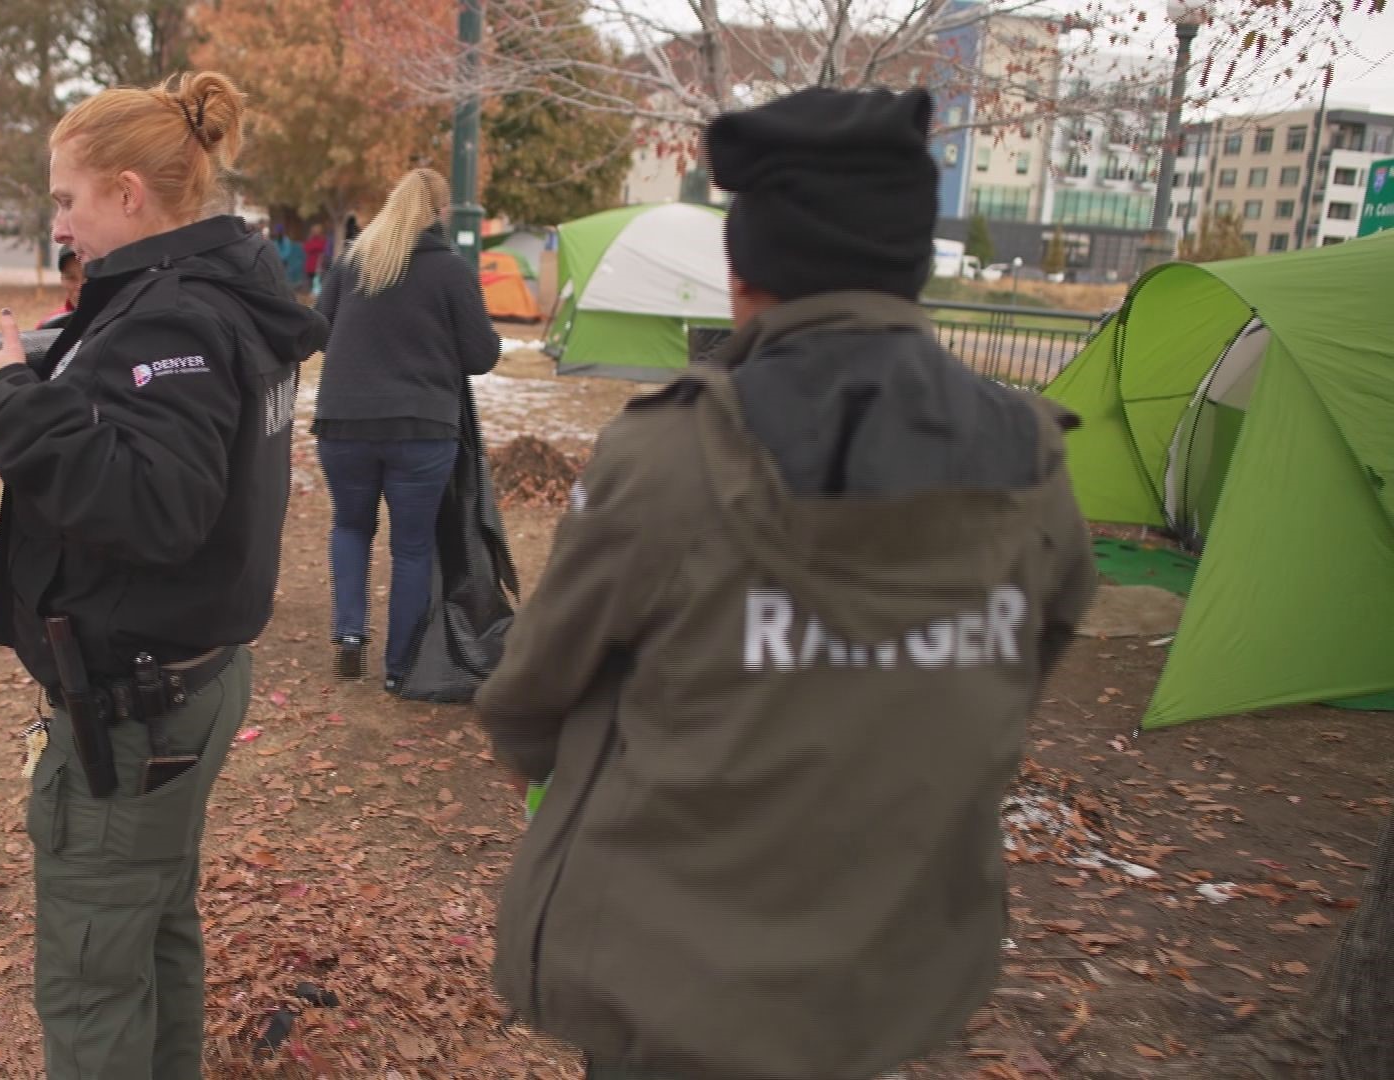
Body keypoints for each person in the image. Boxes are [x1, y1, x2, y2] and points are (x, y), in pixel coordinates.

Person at [475, 87, 1100, 1080]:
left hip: (672, 991)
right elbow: (1042, 642)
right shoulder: (1029, 458)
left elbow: (530, 695)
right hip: (884, 986)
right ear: (910, 264)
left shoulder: (675, 454)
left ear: (744, 271)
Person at [0, 71, 328, 1080]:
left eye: (67, 200)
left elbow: (156, 506)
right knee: (156, 929)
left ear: (127, 193)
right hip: (178, 680)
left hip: (133, 710)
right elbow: (117, 407)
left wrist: (14, 407)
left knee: (92, 976)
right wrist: (7, 379)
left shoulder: (174, 320)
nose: (60, 224)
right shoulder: (202, 294)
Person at [312, 167, 499, 692]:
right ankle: (400, 667)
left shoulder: (354, 261)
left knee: (351, 526)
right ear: (440, 212)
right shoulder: (451, 270)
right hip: (422, 426)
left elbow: (320, 329)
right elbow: (482, 355)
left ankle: (349, 636)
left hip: (343, 420)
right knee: (412, 547)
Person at [39, 246, 84, 329]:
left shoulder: (115, 327)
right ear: (62, 280)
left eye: (88, 276)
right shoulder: (48, 327)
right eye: (71, 278)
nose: (80, 286)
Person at [302, 223, 328, 297]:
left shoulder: (323, 240)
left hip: (318, 265)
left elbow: (322, 247)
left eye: (317, 231)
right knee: (308, 283)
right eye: (314, 231)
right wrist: (314, 248)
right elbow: (306, 248)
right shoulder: (309, 239)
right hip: (309, 265)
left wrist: (313, 247)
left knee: (317, 283)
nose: (315, 232)